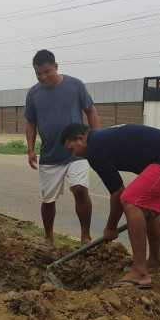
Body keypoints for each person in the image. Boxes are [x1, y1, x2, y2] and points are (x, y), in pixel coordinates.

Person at [60, 123, 160, 289]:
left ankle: (139, 272)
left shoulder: (95, 149)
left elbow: (118, 193)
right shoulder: (101, 140)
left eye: (71, 149)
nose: (74, 155)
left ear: (81, 139)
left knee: (130, 200)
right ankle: (153, 261)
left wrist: (111, 227)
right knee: (146, 206)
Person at [25, 49, 100, 247]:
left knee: (80, 190)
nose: (43, 77)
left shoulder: (75, 85)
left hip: (77, 153)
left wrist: (96, 138)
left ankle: (85, 237)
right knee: (48, 199)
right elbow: (30, 122)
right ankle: (48, 238)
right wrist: (31, 149)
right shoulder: (33, 94)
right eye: (38, 73)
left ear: (56, 67)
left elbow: (91, 111)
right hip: (49, 155)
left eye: (47, 71)